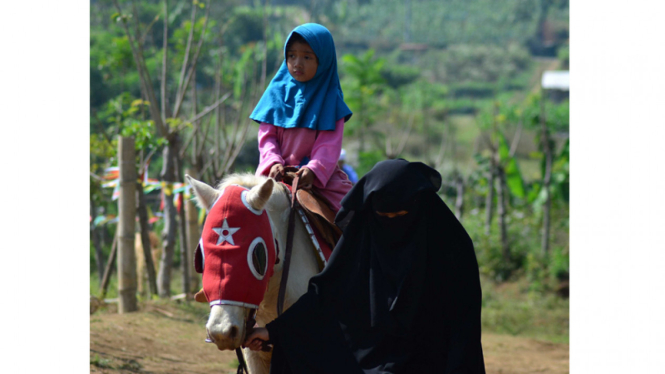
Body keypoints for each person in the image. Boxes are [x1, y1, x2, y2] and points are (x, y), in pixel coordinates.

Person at [244, 159, 486, 374]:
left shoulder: (451, 248)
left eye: (401, 216)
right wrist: (274, 332)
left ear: (419, 208)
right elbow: (326, 296)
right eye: (384, 218)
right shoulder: (362, 242)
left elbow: (463, 325)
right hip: (369, 362)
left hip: (433, 361)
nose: (392, 227)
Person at [251, 23, 353, 213]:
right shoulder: (275, 94)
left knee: (354, 216)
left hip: (320, 181)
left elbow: (329, 145)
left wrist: (314, 170)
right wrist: (273, 161)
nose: (297, 62)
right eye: (292, 55)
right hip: (274, 175)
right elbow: (267, 137)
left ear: (323, 60)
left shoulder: (332, 100)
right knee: (237, 210)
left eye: (307, 57)